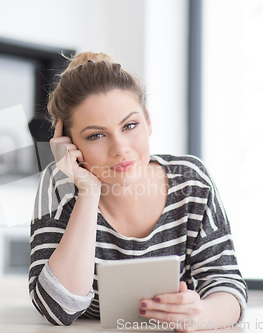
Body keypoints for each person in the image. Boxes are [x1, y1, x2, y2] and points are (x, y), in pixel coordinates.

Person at [29, 51, 247, 331]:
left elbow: (228, 287)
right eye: (96, 135)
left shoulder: (190, 179)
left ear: (148, 121)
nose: (120, 148)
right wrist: (88, 192)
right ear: (68, 144)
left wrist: (202, 313)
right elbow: (56, 308)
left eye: (130, 125)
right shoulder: (58, 185)